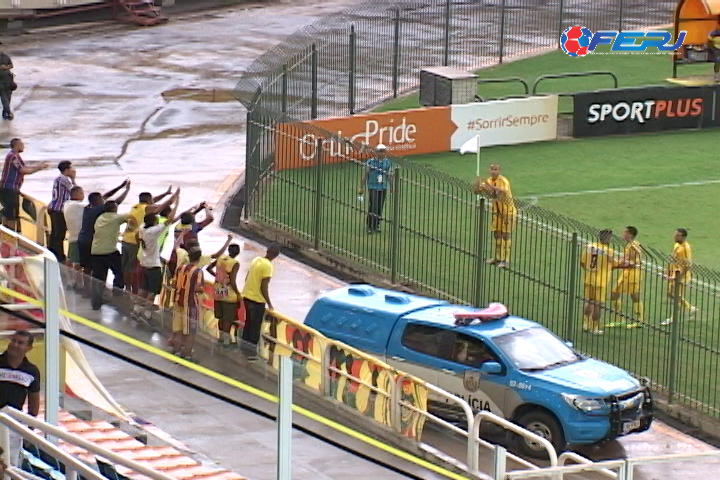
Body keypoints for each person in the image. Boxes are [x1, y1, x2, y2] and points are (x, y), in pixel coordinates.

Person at [120, 186, 176, 294]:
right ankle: (133, 291)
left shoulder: (135, 206)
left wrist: (165, 193)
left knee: (126, 267)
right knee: (133, 269)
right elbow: (160, 207)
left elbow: (152, 203)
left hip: (125, 240)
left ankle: (127, 288)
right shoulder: (145, 208)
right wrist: (173, 198)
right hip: (133, 243)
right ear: (149, 201)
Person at [0, 331, 40, 466]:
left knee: (10, 464)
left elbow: (33, 403)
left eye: (20, 343)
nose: (15, 345)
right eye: (14, 341)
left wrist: (30, 429)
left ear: (29, 348)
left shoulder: (32, 371)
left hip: (13, 424)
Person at [77, 180, 130, 281]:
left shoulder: (88, 208)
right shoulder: (99, 209)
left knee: (87, 267)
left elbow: (106, 196)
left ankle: (85, 288)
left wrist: (120, 186)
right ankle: (89, 287)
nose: (104, 200)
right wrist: (127, 190)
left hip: (82, 239)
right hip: (90, 241)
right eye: (102, 200)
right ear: (98, 201)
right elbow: (116, 202)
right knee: (91, 267)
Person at [135, 202, 179, 321]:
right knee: (152, 291)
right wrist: (176, 203)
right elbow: (169, 220)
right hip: (153, 266)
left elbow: (153, 214)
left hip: (144, 263)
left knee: (143, 288)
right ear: (154, 222)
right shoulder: (153, 232)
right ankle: (146, 313)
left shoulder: (142, 228)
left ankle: (136, 309)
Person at [240, 243, 280, 357]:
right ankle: (251, 353)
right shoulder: (268, 266)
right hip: (257, 301)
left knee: (248, 325)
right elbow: (264, 287)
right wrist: (269, 304)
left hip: (247, 296)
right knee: (255, 328)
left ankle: (244, 349)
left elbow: (247, 277)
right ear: (276, 255)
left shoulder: (256, 260)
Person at [474, 164, 516, 268]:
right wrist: (477, 185)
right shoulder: (488, 180)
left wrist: (489, 187)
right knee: (497, 234)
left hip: (507, 212)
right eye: (491, 169)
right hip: (496, 212)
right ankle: (497, 258)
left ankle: (505, 260)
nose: (493, 171)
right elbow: (477, 191)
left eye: (495, 169)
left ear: (499, 170)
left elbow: (501, 192)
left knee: (505, 235)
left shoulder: (504, 181)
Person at [0, 139, 48, 231]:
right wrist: (39, 168)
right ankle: (10, 234)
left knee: (9, 212)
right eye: (22, 144)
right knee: (11, 214)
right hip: (9, 188)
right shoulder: (13, 156)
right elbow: (23, 170)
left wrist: (36, 167)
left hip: (9, 188)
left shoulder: (13, 156)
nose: (23, 146)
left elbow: (24, 168)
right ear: (16, 145)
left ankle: (10, 232)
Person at [90, 201, 129, 310]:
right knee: (119, 272)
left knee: (98, 278)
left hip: (96, 251)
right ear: (114, 209)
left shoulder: (100, 218)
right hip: (109, 251)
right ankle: (117, 294)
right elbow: (131, 216)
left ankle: (96, 302)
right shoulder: (115, 218)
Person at [580, 229, 620, 335]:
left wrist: (589, 271)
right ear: (607, 238)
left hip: (589, 279)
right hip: (600, 282)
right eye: (610, 237)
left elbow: (582, 262)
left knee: (588, 301)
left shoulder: (590, 247)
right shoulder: (608, 251)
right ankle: (594, 328)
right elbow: (614, 264)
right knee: (598, 305)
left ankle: (585, 324)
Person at [171, 247, 206, 360]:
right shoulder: (198, 271)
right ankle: (187, 354)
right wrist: (202, 290)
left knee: (178, 328)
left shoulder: (180, 268)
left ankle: (176, 351)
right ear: (199, 258)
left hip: (177, 301)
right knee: (191, 331)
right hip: (190, 304)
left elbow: (174, 284)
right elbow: (197, 288)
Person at [608, 226, 644, 329]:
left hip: (632, 274)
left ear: (630, 235)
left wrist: (618, 264)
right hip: (627, 273)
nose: (623, 234)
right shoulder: (629, 245)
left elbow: (636, 259)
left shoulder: (634, 245)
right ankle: (621, 319)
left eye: (625, 232)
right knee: (616, 294)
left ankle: (639, 321)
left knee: (633, 296)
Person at [207, 243, 241, 347]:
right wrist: (238, 293)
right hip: (229, 294)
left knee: (220, 317)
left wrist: (217, 277)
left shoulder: (220, 259)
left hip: (218, 291)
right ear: (238, 252)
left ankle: (221, 339)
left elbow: (208, 268)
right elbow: (233, 281)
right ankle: (226, 342)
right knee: (228, 318)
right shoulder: (235, 263)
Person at [662, 228, 698, 326]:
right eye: (675, 235)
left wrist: (680, 278)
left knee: (675, 295)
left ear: (683, 237)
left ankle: (674, 317)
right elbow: (673, 260)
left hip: (682, 276)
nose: (675, 236)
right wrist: (668, 272)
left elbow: (688, 265)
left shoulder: (686, 248)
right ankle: (690, 308)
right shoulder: (677, 245)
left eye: (677, 235)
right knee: (671, 294)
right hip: (675, 273)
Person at [358, 144, 393, 234]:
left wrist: (392, 186)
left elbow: (389, 175)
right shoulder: (371, 162)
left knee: (379, 207)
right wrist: (361, 187)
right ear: (376, 152)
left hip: (383, 187)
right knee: (373, 206)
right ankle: (370, 225)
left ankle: (376, 224)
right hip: (373, 186)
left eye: (383, 151)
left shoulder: (387, 163)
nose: (381, 153)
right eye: (380, 151)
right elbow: (365, 175)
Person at [47, 160, 77, 263]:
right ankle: (58, 255)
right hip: (59, 209)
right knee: (59, 233)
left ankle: (52, 251)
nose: (73, 170)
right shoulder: (64, 180)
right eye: (71, 168)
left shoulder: (58, 179)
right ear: (66, 170)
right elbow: (75, 191)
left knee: (55, 232)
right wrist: (73, 179)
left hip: (53, 207)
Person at [63, 186, 86, 289]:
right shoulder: (78, 206)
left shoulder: (67, 204)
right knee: (77, 263)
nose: (83, 195)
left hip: (71, 236)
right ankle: (78, 284)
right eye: (82, 193)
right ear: (76, 195)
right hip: (78, 238)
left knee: (69, 260)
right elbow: (99, 202)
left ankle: (69, 280)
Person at [0, 42, 14, 120]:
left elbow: (11, 65)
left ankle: (5, 112)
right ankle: (8, 112)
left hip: (8, 80)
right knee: (4, 97)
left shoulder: (6, 56)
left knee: (8, 97)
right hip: (1, 81)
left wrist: (6, 67)